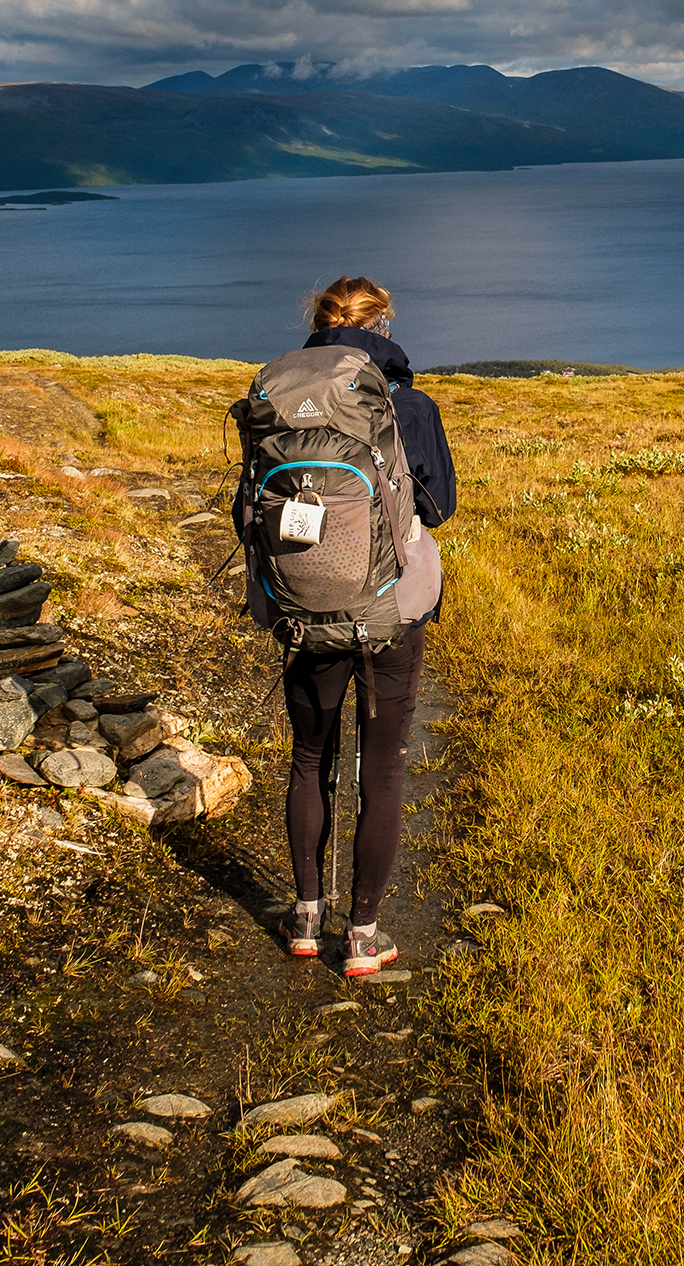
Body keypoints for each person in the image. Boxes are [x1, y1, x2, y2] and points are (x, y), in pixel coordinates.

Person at [270, 275, 456, 977]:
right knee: (381, 766)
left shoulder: (278, 402)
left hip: (305, 609)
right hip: (389, 612)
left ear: (319, 325)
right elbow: (439, 506)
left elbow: (244, 514)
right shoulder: (408, 405)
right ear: (384, 328)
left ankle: (307, 918)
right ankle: (365, 933)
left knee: (309, 758)